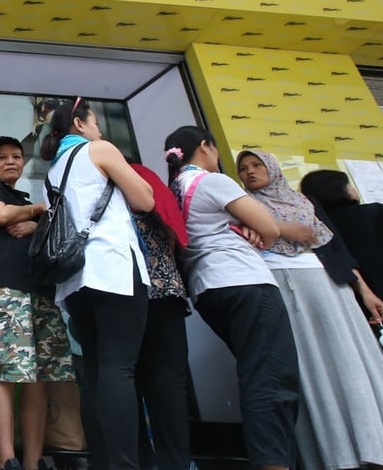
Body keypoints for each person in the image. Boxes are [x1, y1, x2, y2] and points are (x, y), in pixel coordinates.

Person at [235, 149, 383, 470]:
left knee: (349, 359)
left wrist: (364, 290)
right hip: (284, 285)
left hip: (331, 287)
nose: (250, 172)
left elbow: (335, 248)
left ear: (272, 167)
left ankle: (374, 446)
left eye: (257, 165)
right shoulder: (242, 206)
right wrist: (280, 229)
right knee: (311, 366)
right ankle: (337, 456)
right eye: (243, 168)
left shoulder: (305, 202)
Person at [163, 126, 299, 470]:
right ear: (205, 146)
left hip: (207, 289)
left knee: (257, 371)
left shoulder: (175, 188)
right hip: (244, 279)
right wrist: (254, 231)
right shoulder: (212, 181)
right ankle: (273, 464)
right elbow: (269, 228)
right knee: (270, 377)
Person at [38, 98, 154, 470]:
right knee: (119, 368)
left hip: (75, 280)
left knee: (96, 371)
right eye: (95, 123)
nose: (99, 130)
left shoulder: (53, 171)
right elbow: (145, 199)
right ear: (79, 123)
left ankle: (102, 461)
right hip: (113, 267)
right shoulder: (99, 150)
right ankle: (124, 464)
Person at [0, 136, 75, 470]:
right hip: (2, 290)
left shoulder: (25, 200)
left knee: (38, 377)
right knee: (4, 373)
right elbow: (1, 216)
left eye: (16, 156)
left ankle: (32, 463)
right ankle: (6, 462)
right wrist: (40, 210)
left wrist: (35, 223)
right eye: (2, 157)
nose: (11, 162)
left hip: (40, 293)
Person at [127, 162, 192, 470]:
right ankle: (176, 462)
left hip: (120, 294)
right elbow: (171, 226)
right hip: (162, 290)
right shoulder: (141, 178)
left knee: (125, 381)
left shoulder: (93, 188)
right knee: (168, 382)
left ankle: (142, 462)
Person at [300, 168, 383, 313]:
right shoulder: (374, 212)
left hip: (359, 300)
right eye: (348, 185)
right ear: (343, 190)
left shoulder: (320, 226)